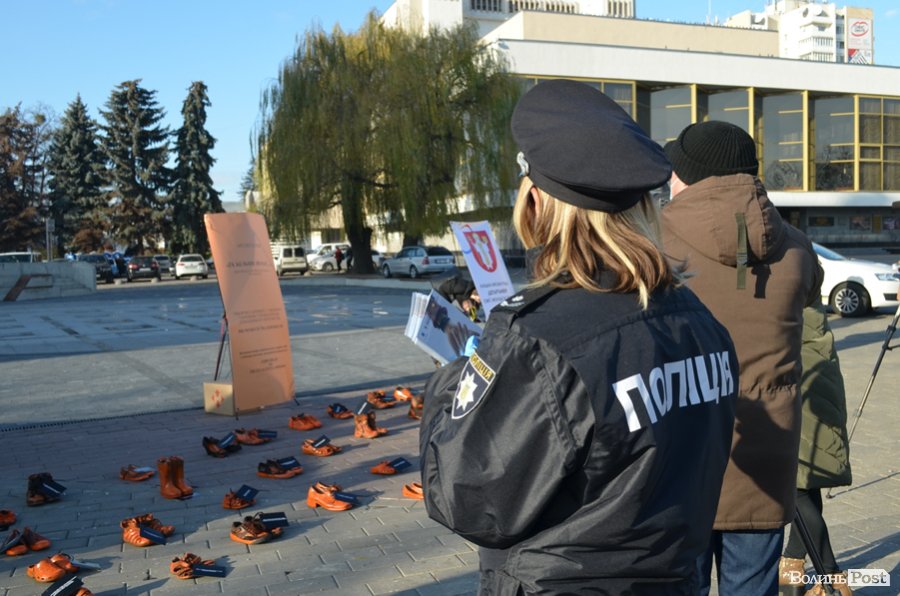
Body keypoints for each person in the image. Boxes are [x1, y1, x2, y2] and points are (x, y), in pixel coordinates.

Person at [419, 79, 738, 594]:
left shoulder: (538, 340)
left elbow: (468, 500)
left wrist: (453, 382)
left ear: (537, 201)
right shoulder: (700, 320)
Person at [660, 120, 824, 596]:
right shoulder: (795, 246)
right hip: (766, 459)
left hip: (680, 458)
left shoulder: (651, 243)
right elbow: (810, 295)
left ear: (686, 176)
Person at [780, 305, 853, 596]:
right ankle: (792, 565)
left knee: (795, 488)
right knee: (805, 483)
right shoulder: (808, 291)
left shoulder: (783, 288)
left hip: (799, 382)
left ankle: (832, 577)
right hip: (817, 375)